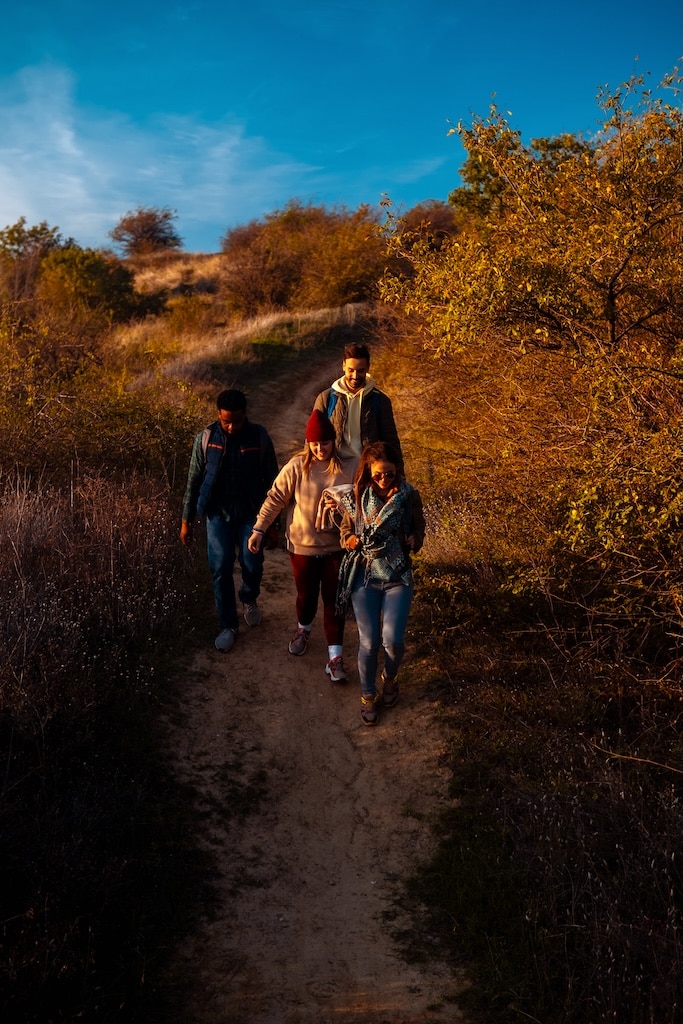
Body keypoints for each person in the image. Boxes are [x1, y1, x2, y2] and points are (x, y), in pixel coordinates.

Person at [248, 409, 357, 681]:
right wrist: (259, 529)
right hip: (303, 546)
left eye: (326, 443)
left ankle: (335, 658)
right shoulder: (298, 466)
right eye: (315, 444)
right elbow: (275, 498)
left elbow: (366, 500)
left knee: (335, 602)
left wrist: (345, 504)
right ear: (307, 443)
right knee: (306, 596)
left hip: (338, 547)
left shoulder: (351, 466)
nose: (321, 449)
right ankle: (303, 628)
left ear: (334, 441)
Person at [180, 389, 278, 652]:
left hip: (252, 516)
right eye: (226, 421)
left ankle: (248, 598)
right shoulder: (206, 438)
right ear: (218, 416)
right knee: (221, 567)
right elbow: (194, 480)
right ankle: (228, 625)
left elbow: (274, 483)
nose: (231, 426)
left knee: (252, 564)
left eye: (236, 420)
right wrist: (186, 520)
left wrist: (274, 525)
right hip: (218, 515)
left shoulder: (259, 437)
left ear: (245, 414)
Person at [337, 441, 425, 726]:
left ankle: (390, 677)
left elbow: (418, 527)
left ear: (397, 470)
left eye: (389, 473)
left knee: (393, 641)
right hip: (365, 575)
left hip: (398, 575)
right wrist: (349, 539)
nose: (384, 479)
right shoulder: (357, 496)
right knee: (369, 640)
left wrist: (415, 540)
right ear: (368, 472)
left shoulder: (409, 495)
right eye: (378, 475)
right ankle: (367, 695)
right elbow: (346, 529)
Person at [313, 341, 403, 468]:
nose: (355, 376)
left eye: (360, 371)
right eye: (351, 370)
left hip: (368, 470)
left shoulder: (380, 401)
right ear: (343, 366)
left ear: (368, 368)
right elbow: (312, 439)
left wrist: (399, 476)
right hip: (335, 469)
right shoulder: (326, 398)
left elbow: (391, 442)